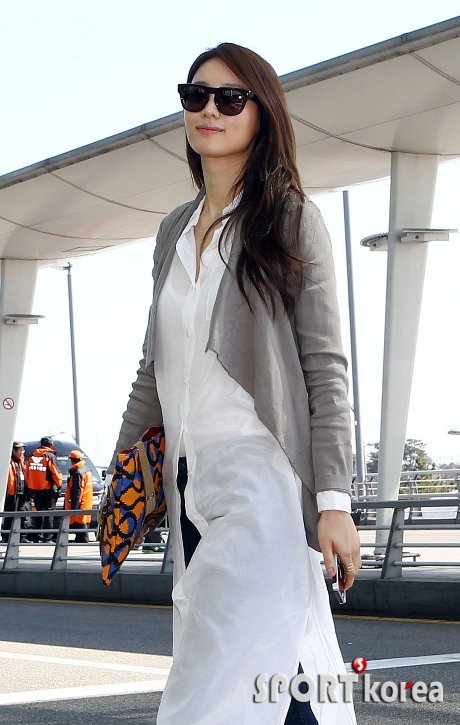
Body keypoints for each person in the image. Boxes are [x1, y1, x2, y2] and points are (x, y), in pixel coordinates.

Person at [110, 42, 361, 724]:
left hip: (261, 478)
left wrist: (334, 500)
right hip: (185, 483)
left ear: (262, 112)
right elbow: (152, 366)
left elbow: (325, 368)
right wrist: (122, 472)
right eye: (196, 96)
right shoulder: (172, 230)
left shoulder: (290, 218)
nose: (209, 110)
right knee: (263, 664)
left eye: (230, 98)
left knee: (214, 678)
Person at [27, 436, 62, 542]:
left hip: (35, 490)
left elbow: (27, 473)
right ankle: (47, 537)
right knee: (49, 514)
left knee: (38, 513)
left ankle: (36, 536)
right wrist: (59, 485)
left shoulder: (32, 456)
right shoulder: (50, 456)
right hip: (48, 489)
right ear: (50, 445)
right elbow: (55, 473)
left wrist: (30, 487)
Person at [1, 442, 30, 543]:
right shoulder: (7, 462)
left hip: (21, 492)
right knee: (9, 515)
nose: (22, 452)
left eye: (23, 450)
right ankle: (6, 537)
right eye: (20, 450)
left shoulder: (22, 462)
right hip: (11, 493)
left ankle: (22, 536)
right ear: (14, 450)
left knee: (22, 515)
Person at [65, 450, 93, 543]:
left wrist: (74, 508)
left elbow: (77, 491)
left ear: (72, 460)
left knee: (81, 530)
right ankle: (81, 540)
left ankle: (82, 541)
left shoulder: (77, 473)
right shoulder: (86, 470)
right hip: (86, 504)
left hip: (80, 506)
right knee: (83, 529)